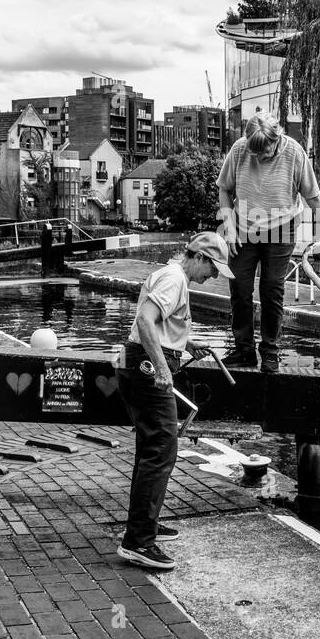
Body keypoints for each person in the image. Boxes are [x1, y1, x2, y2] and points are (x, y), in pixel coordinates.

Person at [115, 232, 233, 571]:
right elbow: (145, 322)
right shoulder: (175, 278)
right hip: (146, 366)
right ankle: (138, 542)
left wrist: (185, 342)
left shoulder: (170, 275)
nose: (213, 276)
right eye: (213, 268)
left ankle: (143, 526)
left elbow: (161, 323)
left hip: (138, 363)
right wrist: (164, 368)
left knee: (150, 447)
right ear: (198, 257)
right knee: (163, 447)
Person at [216, 112, 320, 373]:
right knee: (239, 288)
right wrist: (228, 227)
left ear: (278, 138)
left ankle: (270, 353)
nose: (261, 157)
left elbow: (314, 198)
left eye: (266, 151)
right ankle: (244, 352)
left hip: (282, 228)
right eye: (256, 153)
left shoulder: (295, 154)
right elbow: (224, 190)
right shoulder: (240, 150)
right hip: (243, 227)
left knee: (272, 288)